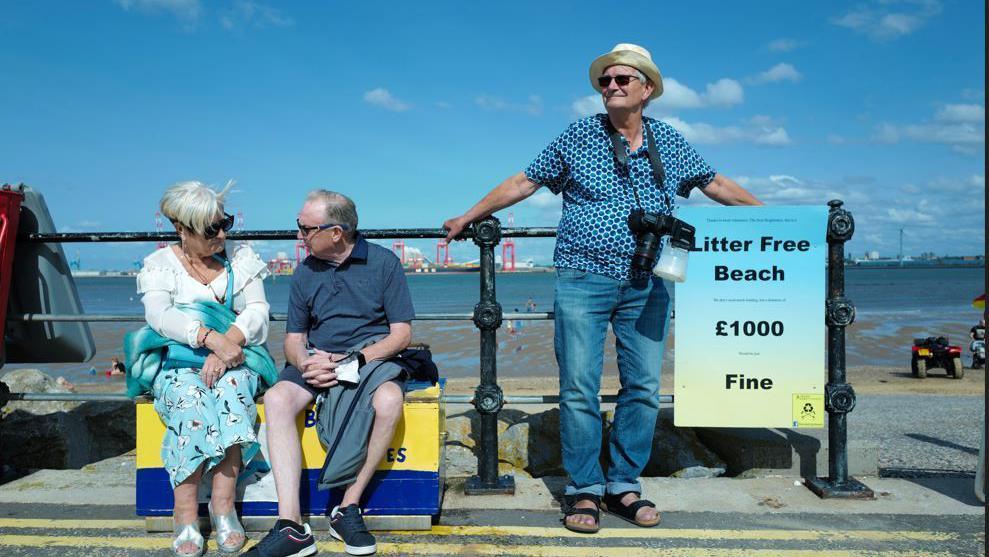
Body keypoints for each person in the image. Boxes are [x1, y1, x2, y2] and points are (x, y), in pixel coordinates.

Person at [443, 43, 761, 534]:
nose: (611, 87)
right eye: (605, 81)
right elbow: (525, 182)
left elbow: (715, 185)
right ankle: (584, 489)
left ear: (646, 89)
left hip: (648, 282)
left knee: (644, 389)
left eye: (622, 80)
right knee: (578, 389)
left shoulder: (671, 142)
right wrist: (469, 215)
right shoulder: (579, 134)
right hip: (582, 278)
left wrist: (783, 223)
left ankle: (624, 486)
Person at [244, 190, 415, 557]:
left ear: (336, 232)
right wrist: (306, 363)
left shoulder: (385, 264)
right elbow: (293, 339)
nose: (299, 236)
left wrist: (353, 362)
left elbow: (401, 334)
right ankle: (291, 525)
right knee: (276, 398)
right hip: (316, 362)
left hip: (367, 360)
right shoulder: (305, 270)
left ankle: (347, 508)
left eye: (306, 228)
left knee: (389, 400)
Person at [124, 181, 277, 557]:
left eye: (224, 223)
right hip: (179, 360)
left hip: (238, 356)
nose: (222, 234)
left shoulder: (240, 258)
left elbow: (257, 311)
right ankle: (185, 513)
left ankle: (223, 508)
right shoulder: (161, 265)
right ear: (181, 228)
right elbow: (159, 316)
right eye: (211, 229)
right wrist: (209, 339)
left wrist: (228, 346)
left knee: (233, 398)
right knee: (189, 401)